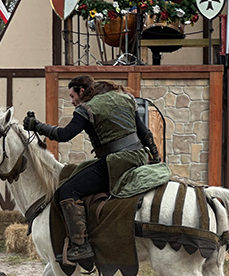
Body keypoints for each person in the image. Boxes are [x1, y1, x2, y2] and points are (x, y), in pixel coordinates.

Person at [23, 79, 161, 262]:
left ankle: (81, 246)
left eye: (72, 96)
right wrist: (155, 156)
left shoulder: (87, 108)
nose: (72, 101)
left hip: (116, 163)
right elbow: (144, 132)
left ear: (81, 91)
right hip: (139, 157)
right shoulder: (125, 98)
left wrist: (36, 126)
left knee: (67, 191)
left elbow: (64, 135)